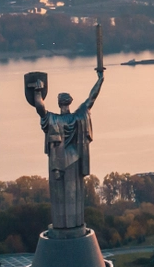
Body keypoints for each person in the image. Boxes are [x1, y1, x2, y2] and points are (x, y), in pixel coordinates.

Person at [30, 72, 104, 231]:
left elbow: (39, 107)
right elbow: (91, 98)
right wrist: (100, 79)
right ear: (69, 102)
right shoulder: (77, 117)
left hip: (57, 161)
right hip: (74, 159)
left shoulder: (53, 119)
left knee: (58, 195)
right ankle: (75, 224)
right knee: (74, 193)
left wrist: (38, 92)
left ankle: (60, 224)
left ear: (59, 103)